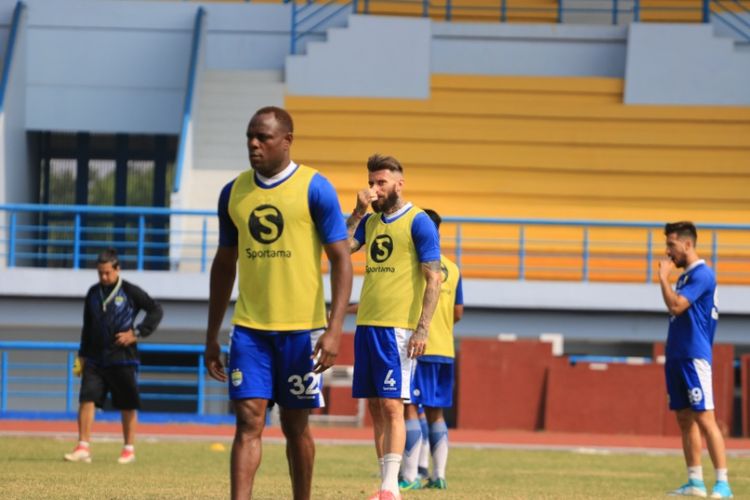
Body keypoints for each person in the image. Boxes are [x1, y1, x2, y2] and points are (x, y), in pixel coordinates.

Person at [204, 106, 352, 500]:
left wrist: (334, 328)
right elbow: (223, 265)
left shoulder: (315, 188)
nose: (253, 144)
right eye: (250, 137)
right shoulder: (233, 192)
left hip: (301, 331)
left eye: (263, 137)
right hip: (250, 331)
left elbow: (341, 260)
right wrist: (211, 334)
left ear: (286, 141)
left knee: (295, 425)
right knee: (248, 420)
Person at [347, 154, 442, 500]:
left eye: (381, 182)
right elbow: (340, 249)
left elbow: (433, 279)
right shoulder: (371, 224)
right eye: (371, 182)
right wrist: (357, 212)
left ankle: (392, 487)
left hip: (397, 329)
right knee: (374, 406)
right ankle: (384, 483)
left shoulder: (419, 222)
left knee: (392, 405)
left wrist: (423, 328)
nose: (374, 189)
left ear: (399, 184)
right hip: (367, 325)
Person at [64, 248, 163, 464]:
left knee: (127, 403)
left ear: (117, 269)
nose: (103, 277)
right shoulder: (92, 293)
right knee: (86, 399)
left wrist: (137, 333)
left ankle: (128, 449)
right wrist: (81, 356)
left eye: (107, 272)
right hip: (94, 358)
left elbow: (156, 310)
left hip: (123, 357)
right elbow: (87, 326)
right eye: (100, 273)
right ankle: (83, 446)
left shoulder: (129, 291)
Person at [659, 221, 733, 498]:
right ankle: (695, 482)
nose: (668, 253)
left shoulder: (703, 275)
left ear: (687, 244)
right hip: (677, 354)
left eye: (671, 245)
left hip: (694, 356)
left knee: (705, 418)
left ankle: (723, 484)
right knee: (684, 418)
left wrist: (663, 278)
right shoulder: (686, 278)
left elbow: (677, 306)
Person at [399, 208, 463, 491]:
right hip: (445, 349)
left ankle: (409, 476)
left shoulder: (417, 264)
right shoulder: (453, 267)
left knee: (409, 410)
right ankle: (438, 476)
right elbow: (458, 312)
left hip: (419, 347)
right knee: (437, 413)